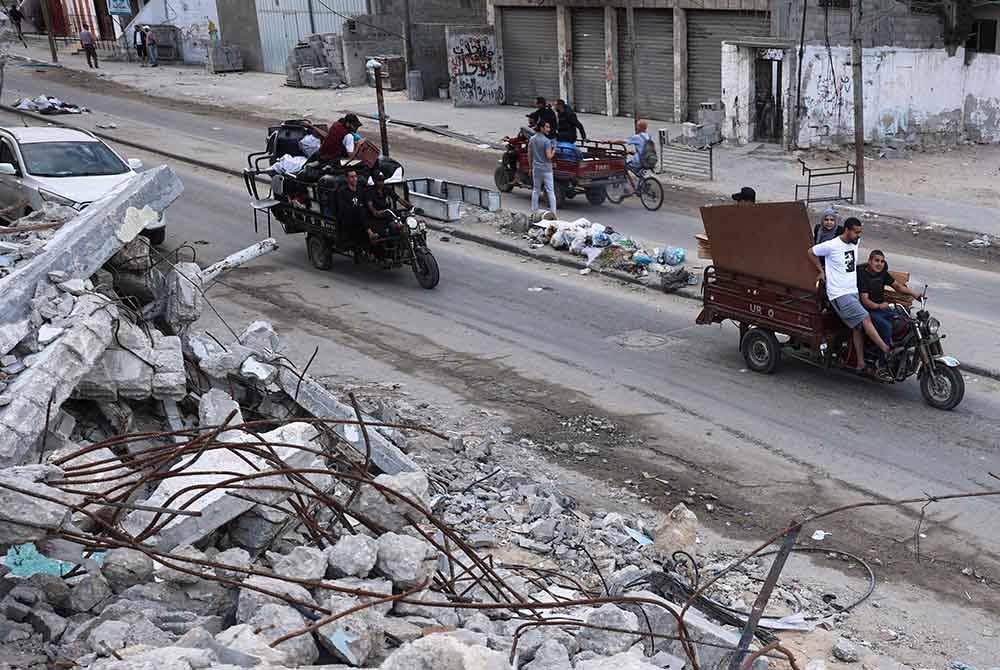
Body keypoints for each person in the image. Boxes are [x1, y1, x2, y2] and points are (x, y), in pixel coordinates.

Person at [808, 217, 893, 377]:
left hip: (852, 291)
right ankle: (886, 349)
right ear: (847, 231)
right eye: (856, 232)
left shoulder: (854, 242)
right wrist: (821, 271)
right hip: (839, 294)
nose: (858, 236)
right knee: (865, 318)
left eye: (860, 232)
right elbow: (811, 252)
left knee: (857, 327)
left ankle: (860, 363)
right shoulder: (832, 245)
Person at [858, 249, 921, 347]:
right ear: (870, 261)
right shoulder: (863, 276)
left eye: (882, 261)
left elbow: (899, 287)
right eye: (877, 261)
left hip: (882, 308)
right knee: (887, 327)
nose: (879, 264)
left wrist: (915, 295)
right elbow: (865, 301)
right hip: (869, 311)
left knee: (905, 321)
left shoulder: (883, 274)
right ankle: (885, 356)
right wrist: (879, 306)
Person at [366, 172, 413, 250]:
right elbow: (370, 204)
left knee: (402, 222)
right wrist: (375, 212)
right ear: (375, 181)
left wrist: (411, 207)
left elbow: (398, 199)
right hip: (377, 216)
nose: (381, 182)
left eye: (382, 180)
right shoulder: (370, 192)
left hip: (388, 213)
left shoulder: (386, 189)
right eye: (379, 180)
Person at [529, 119, 557, 217]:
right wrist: (554, 150)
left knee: (536, 190)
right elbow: (549, 157)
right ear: (541, 128)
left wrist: (530, 167)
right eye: (547, 127)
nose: (548, 129)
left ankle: (534, 211)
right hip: (546, 169)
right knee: (550, 191)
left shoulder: (532, 139)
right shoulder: (547, 141)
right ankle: (553, 213)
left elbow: (530, 154)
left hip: (536, 168)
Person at [336, 169, 368, 255]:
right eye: (352, 177)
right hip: (349, 220)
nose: (355, 179)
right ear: (347, 179)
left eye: (355, 176)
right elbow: (343, 208)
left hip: (361, 217)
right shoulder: (342, 191)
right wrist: (358, 209)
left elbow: (365, 203)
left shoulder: (360, 189)